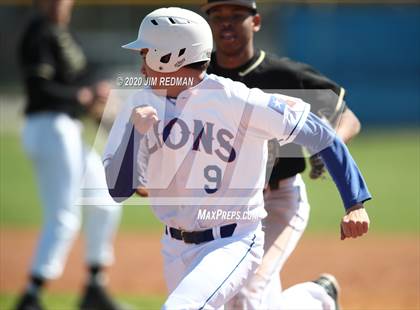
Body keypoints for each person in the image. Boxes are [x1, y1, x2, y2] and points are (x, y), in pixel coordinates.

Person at [103, 7, 371, 310]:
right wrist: (134, 137)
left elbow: (322, 134)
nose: (140, 67)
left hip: (233, 239)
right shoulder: (138, 104)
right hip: (174, 247)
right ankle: (314, 300)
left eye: (145, 54)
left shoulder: (236, 98)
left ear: (170, 57)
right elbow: (118, 189)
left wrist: (355, 203)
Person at [201, 0, 362, 308]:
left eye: (236, 16)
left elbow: (347, 119)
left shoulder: (285, 75)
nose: (226, 24)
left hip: (277, 200)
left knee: (246, 294)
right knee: (232, 295)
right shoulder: (198, 73)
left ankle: (318, 298)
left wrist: (328, 144)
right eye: (217, 16)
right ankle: (317, 297)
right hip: (222, 203)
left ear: (256, 21)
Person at [16, 1, 122, 309]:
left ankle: (93, 288)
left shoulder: (62, 34)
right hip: (50, 127)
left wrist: (96, 92)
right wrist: (83, 96)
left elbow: (82, 78)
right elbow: (39, 89)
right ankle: (31, 296)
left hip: (69, 129)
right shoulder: (38, 32)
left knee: (104, 201)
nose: (59, 4)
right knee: (63, 217)